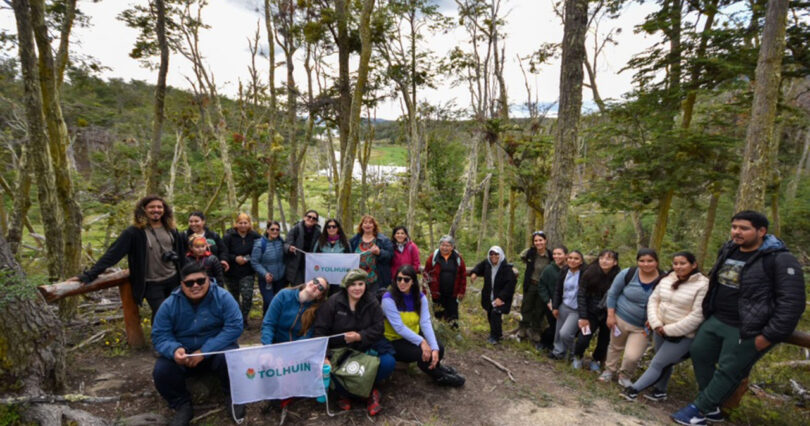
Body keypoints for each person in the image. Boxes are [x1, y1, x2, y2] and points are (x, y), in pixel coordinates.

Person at [671, 211, 805, 426]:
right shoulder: (729, 249)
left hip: (748, 327)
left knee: (729, 369)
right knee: (699, 353)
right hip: (717, 318)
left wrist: (769, 336)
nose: (737, 232)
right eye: (734, 227)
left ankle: (698, 410)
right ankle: (711, 406)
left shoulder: (780, 259)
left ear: (761, 231)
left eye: (744, 228)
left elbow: (792, 303)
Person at [151, 263, 245, 425]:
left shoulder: (223, 297)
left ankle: (233, 396)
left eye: (200, 281)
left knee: (229, 358)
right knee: (162, 371)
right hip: (184, 355)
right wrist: (174, 350)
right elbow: (160, 335)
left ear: (208, 280)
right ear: (182, 284)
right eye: (189, 283)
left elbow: (235, 326)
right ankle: (181, 405)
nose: (195, 286)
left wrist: (204, 351)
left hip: (215, 350)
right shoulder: (169, 304)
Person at [73, 195, 185, 321]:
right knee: (162, 313)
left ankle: (169, 334)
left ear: (164, 210)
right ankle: (160, 334)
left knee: (177, 312)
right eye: (151, 207)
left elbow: (181, 253)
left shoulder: (171, 229)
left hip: (173, 279)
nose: (156, 210)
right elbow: (112, 255)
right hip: (151, 283)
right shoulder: (134, 232)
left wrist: (185, 276)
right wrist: (89, 275)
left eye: (160, 207)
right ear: (143, 209)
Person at [622, 251, 708, 402]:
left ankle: (633, 390)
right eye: (676, 263)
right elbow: (654, 300)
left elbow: (697, 315)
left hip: (682, 335)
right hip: (659, 329)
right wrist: (656, 324)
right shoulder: (667, 278)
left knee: (658, 363)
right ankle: (660, 391)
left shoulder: (703, 285)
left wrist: (668, 330)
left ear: (694, 265)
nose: (678, 267)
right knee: (663, 362)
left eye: (683, 263)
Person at [312, 269, 396, 416]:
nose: (357, 288)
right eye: (353, 284)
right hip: (339, 352)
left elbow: (379, 328)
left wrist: (360, 336)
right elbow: (320, 330)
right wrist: (324, 356)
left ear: (365, 285)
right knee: (328, 371)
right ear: (346, 285)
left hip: (365, 348)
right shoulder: (333, 302)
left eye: (360, 284)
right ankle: (368, 393)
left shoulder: (371, 301)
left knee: (388, 363)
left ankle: (349, 393)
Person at [381, 265, 465, 387]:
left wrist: (434, 347)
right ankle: (440, 376)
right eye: (399, 279)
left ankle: (437, 367)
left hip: (413, 335)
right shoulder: (388, 299)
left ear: (413, 281)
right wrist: (422, 341)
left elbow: (425, 322)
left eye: (406, 279)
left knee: (439, 348)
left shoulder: (420, 298)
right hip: (394, 340)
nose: (402, 282)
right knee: (423, 353)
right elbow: (399, 327)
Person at [599, 248, 662, 387]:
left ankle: (625, 375)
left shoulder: (664, 279)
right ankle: (609, 370)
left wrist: (656, 319)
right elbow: (613, 294)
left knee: (632, 356)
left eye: (650, 261)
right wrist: (610, 315)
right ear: (637, 262)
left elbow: (667, 302)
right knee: (615, 346)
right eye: (642, 261)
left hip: (643, 327)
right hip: (621, 318)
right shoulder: (628, 274)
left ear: (656, 262)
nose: (646, 264)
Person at [573, 250, 620, 371]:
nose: (604, 261)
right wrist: (583, 316)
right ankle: (577, 356)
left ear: (615, 262)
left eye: (608, 259)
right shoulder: (589, 272)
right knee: (583, 338)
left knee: (604, 340)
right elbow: (581, 295)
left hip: (608, 313)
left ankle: (596, 360)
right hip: (590, 312)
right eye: (602, 258)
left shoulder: (618, 277)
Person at [469, 246, 517, 344]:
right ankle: (497, 334)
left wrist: (501, 298)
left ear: (501, 255)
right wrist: (474, 273)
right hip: (489, 295)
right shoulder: (487, 264)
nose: (493, 256)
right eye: (491, 254)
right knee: (490, 313)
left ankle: (495, 337)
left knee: (496, 313)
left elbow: (510, 285)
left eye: (496, 254)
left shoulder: (507, 268)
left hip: (501, 297)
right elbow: (479, 267)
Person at [261, 277, 329, 345]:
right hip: (274, 345)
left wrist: (294, 349)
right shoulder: (284, 295)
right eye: (315, 281)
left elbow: (308, 335)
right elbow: (269, 323)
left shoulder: (317, 310)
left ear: (319, 296)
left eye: (320, 288)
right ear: (308, 282)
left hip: (298, 348)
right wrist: (268, 346)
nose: (315, 286)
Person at [222, 213, 260, 328]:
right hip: (231, 272)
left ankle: (244, 319)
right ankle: (236, 318)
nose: (243, 225)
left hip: (247, 272)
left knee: (247, 296)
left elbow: (259, 251)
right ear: (236, 224)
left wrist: (247, 258)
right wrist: (235, 258)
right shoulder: (228, 236)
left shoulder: (255, 236)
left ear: (249, 224)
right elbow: (223, 252)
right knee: (234, 297)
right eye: (240, 223)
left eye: (245, 223)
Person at [516, 231, 552, 342]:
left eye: (540, 240)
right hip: (531, 283)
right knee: (526, 306)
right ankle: (523, 327)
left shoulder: (550, 255)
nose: (538, 243)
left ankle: (536, 330)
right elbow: (522, 257)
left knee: (539, 309)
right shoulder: (530, 253)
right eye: (536, 241)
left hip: (543, 287)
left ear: (545, 241)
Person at [424, 235, 467, 327]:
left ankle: (454, 332)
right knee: (438, 314)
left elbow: (463, 275)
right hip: (437, 293)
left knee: (453, 315)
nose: (445, 248)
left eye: (448, 245)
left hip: (453, 294)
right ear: (439, 246)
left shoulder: (457, 258)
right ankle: (439, 332)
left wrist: (461, 291)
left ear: (452, 247)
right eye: (443, 245)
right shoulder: (433, 257)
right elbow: (426, 274)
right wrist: (425, 291)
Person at [549, 250, 586, 360]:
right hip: (564, 305)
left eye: (576, 258)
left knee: (565, 333)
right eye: (570, 258)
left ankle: (574, 354)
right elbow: (558, 289)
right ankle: (558, 352)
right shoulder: (565, 270)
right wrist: (555, 306)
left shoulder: (584, 273)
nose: (572, 261)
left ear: (581, 261)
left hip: (576, 309)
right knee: (558, 333)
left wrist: (585, 314)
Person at [349, 215, 394, 297]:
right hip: (357, 279)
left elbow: (390, 256)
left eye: (370, 223)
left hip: (375, 279)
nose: (367, 225)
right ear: (361, 225)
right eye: (365, 222)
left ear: (374, 225)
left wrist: (379, 252)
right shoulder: (354, 240)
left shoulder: (383, 240)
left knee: (373, 301)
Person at [536, 245, 568, 351]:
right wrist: (547, 301)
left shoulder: (570, 269)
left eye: (559, 254)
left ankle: (560, 346)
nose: (556, 256)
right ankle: (545, 343)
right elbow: (541, 285)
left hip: (567, 304)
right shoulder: (549, 269)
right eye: (554, 254)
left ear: (566, 255)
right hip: (552, 303)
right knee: (554, 325)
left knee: (564, 327)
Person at [251, 220, 286, 316]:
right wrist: (265, 273)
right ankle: (268, 321)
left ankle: (267, 320)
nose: (275, 231)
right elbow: (254, 262)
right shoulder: (260, 244)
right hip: (266, 280)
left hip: (280, 279)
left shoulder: (281, 242)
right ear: (267, 230)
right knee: (271, 302)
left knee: (275, 302)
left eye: (277, 229)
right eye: (272, 229)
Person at [314, 218, 352, 295]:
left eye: (334, 226)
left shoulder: (345, 242)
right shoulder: (320, 241)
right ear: (326, 229)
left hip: (339, 276)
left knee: (336, 297)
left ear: (338, 228)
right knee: (321, 296)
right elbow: (314, 257)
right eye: (329, 227)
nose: (331, 228)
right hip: (323, 276)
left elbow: (350, 259)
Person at [284, 209, 322, 286]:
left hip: (310, 265)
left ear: (316, 221)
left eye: (314, 218)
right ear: (304, 217)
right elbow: (286, 244)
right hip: (296, 264)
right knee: (298, 287)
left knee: (309, 286)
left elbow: (320, 248)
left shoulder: (318, 232)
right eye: (309, 216)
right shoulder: (296, 228)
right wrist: (289, 248)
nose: (311, 219)